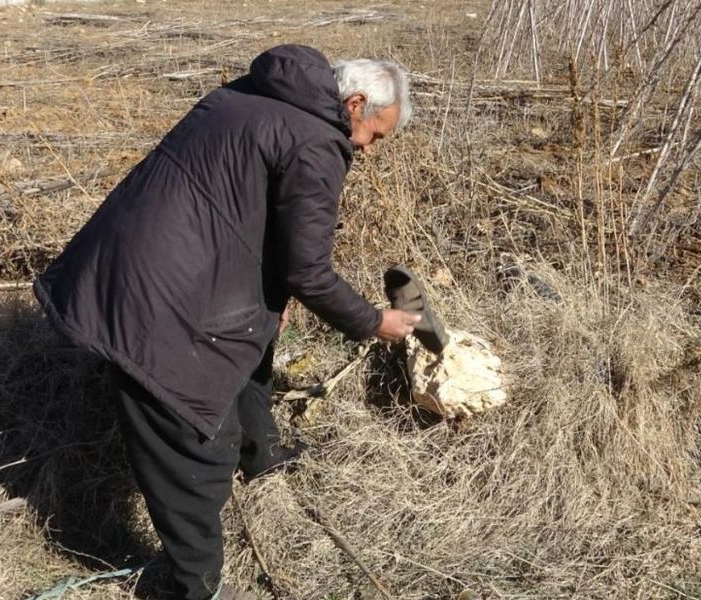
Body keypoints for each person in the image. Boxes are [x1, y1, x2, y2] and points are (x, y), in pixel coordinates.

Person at [33, 44, 420, 600]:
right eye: (375, 134)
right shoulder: (317, 140)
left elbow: (244, 209)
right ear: (355, 104)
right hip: (161, 297)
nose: (368, 146)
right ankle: (194, 583)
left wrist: (274, 295)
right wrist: (370, 321)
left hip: (128, 257)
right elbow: (310, 273)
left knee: (252, 337)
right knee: (191, 439)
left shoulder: (247, 94)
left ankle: (260, 456)